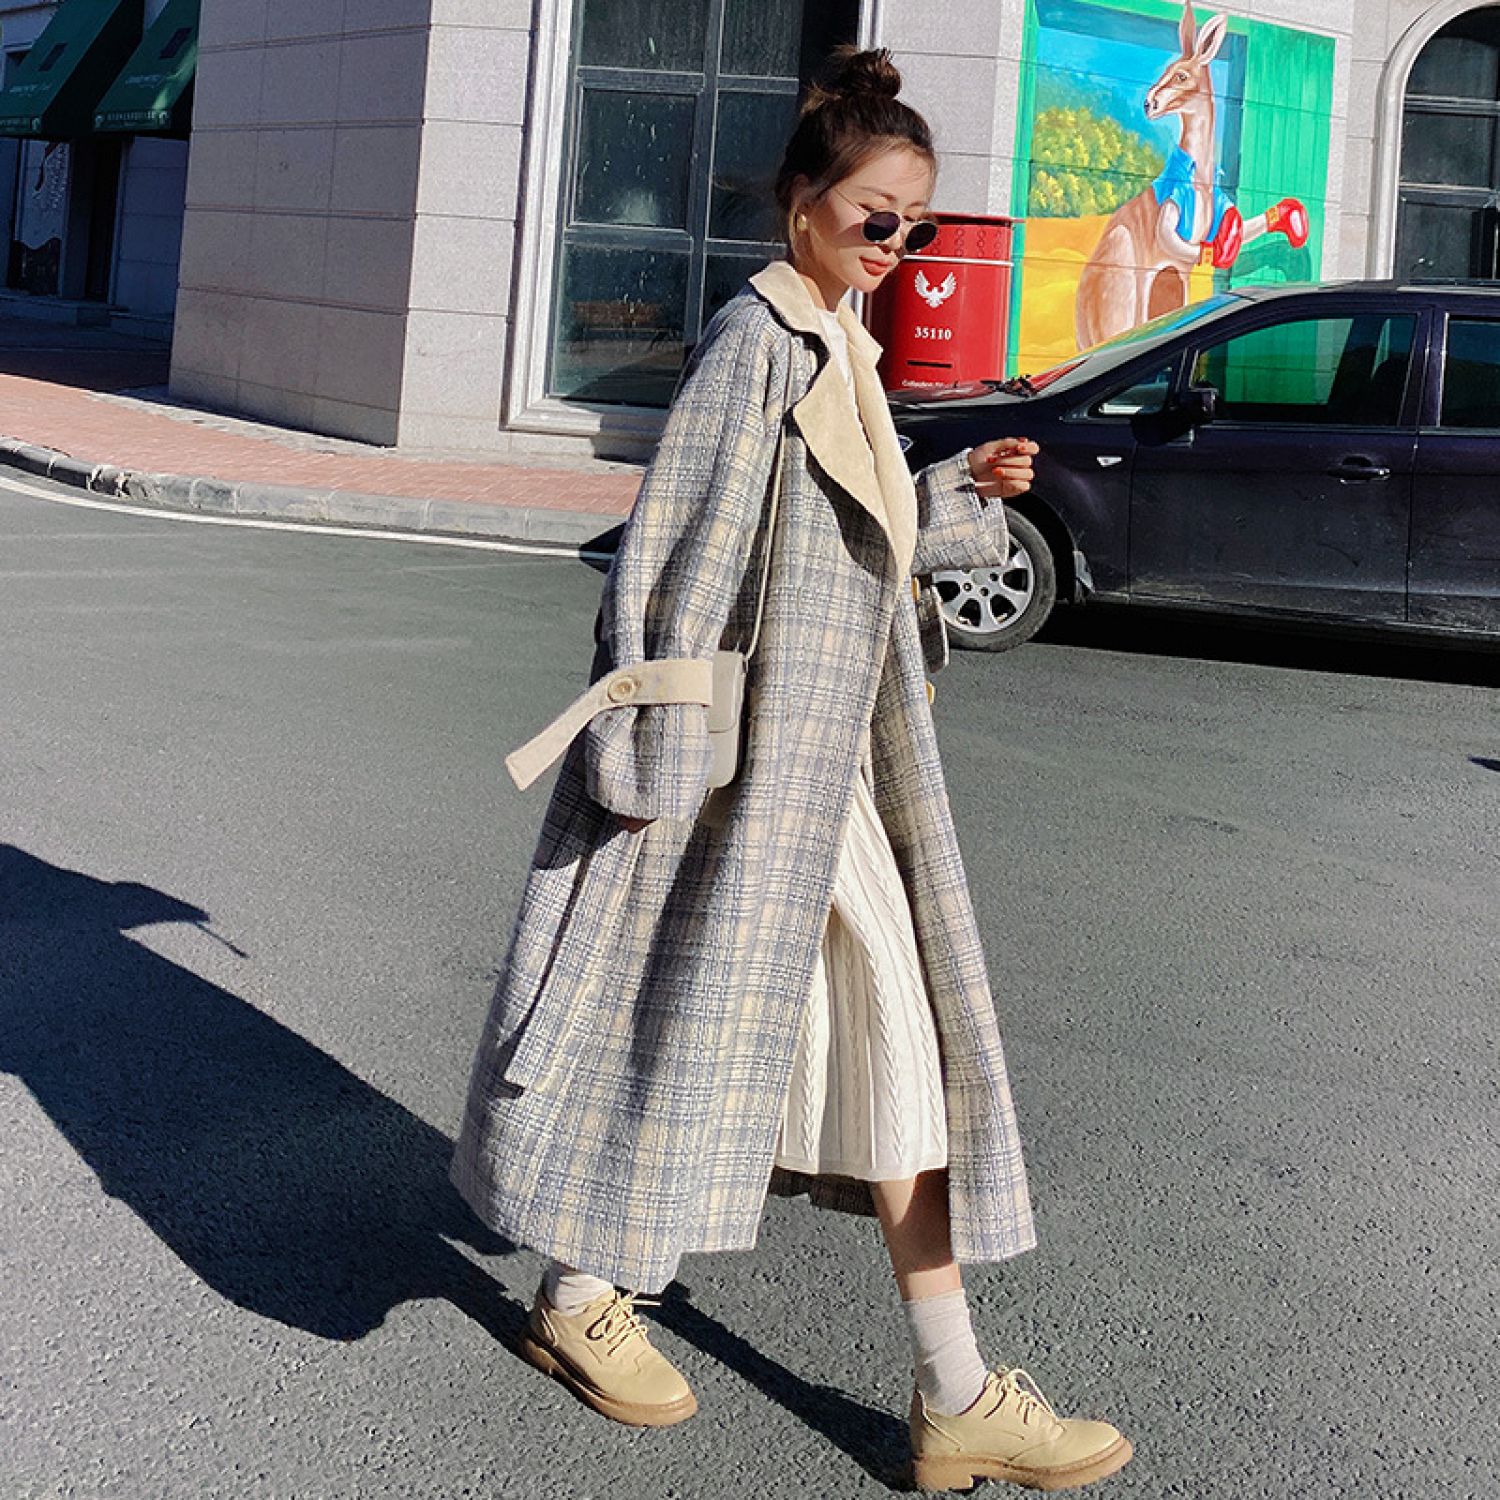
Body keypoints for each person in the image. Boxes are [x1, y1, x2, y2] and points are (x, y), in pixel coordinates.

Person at [450, 47, 1131, 1494]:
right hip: (742, 775)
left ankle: (939, 1386)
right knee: (754, 1027)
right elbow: (669, 558)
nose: (898, 247)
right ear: (805, 199)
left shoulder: (839, 344)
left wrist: (957, 489)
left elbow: (842, 543)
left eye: (917, 226)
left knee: (807, 1042)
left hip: (827, 773)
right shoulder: (754, 341)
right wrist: (656, 757)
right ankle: (636, 1310)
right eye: (878, 218)